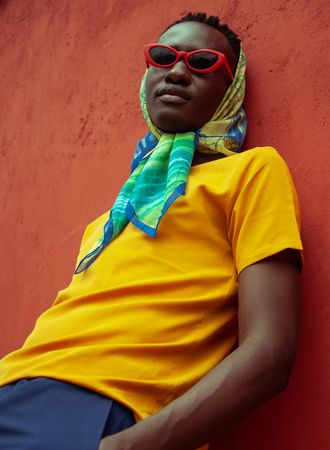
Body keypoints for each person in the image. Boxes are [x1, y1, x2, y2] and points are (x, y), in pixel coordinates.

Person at [0, 12, 303, 450]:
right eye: (163, 57)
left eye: (202, 62)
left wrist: (125, 446)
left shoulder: (251, 171)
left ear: (230, 90)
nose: (177, 71)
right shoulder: (111, 218)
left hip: (98, 409)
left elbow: (270, 354)